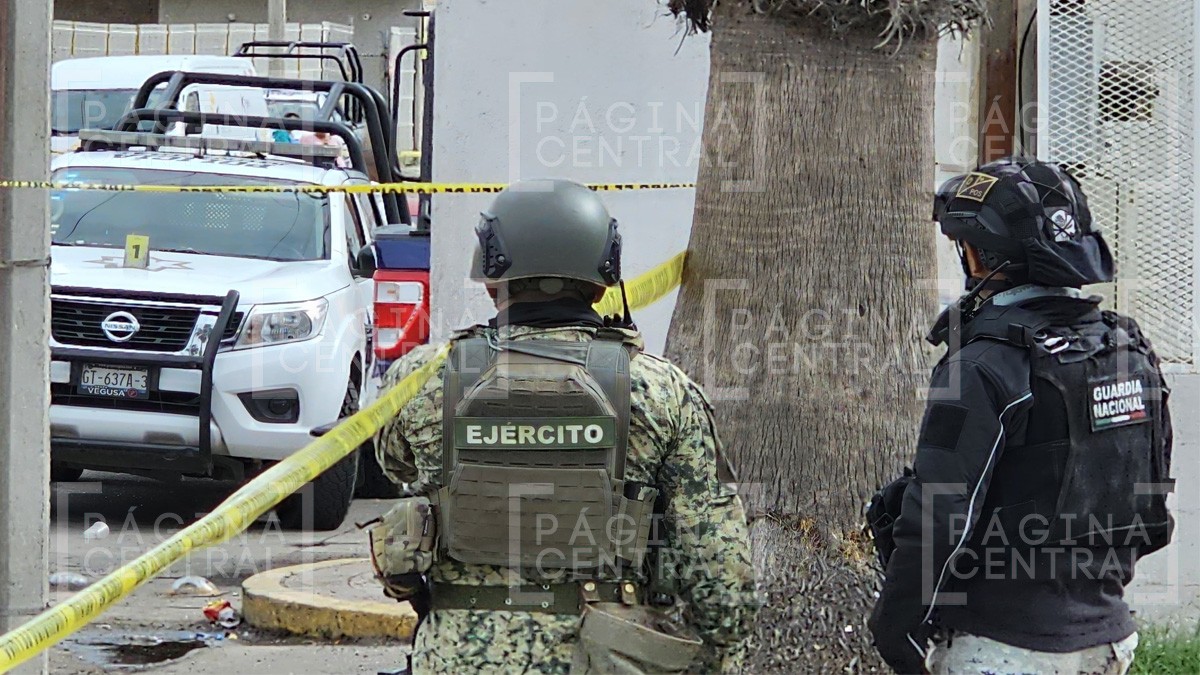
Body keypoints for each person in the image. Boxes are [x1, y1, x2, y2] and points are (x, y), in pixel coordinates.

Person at [372, 179, 758, 674]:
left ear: (491, 277)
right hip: (605, 655)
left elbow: (394, 463)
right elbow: (720, 572)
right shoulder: (662, 391)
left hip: (458, 658)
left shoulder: (421, 379)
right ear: (603, 281)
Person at [868, 157, 1174, 674]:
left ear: (978, 254)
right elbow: (1149, 509)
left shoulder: (984, 363)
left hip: (1004, 648)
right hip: (1109, 641)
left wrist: (893, 630)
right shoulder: (1128, 351)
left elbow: (940, 516)